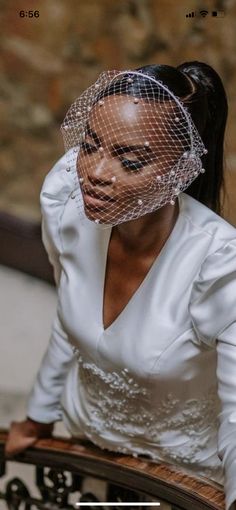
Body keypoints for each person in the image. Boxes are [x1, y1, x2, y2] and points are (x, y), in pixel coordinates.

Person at [5, 62, 236, 510]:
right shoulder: (67, 201)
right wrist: (39, 415)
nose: (95, 172)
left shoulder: (220, 268)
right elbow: (68, 318)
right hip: (88, 438)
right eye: (90, 146)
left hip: (183, 470)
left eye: (129, 160)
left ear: (182, 170)